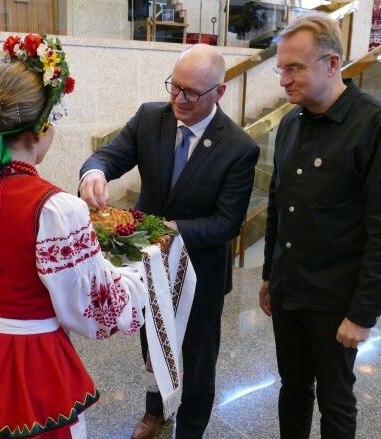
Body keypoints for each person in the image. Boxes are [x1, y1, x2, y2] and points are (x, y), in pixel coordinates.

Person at [0, 35, 148, 438]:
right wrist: (138, 277)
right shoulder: (57, 208)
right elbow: (92, 310)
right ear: (41, 129)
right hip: (32, 363)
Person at [79, 44, 259, 439]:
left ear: (219, 93)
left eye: (192, 92)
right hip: (150, 269)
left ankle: (191, 428)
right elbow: (108, 156)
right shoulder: (150, 118)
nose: (180, 99)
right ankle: (154, 412)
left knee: (195, 359)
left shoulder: (239, 147)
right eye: (174, 87)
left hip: (201, 274)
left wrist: (169, 230)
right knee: (153, 347)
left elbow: (226, 224)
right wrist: (93, 173)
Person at [260, 13, 381, 438]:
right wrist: (271, 274)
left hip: (336, 301)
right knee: (292, 388)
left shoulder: (378, 127)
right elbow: (277, 204)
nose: (284, 80)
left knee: (335, 400)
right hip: (290, 291)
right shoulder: (290, 123)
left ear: (332, 63)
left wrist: (363, 314)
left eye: (294, 68)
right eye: (281, 68)